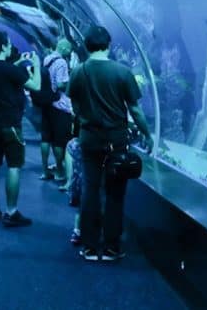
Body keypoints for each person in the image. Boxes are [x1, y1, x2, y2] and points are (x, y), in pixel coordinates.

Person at [68, 26, 151, 261]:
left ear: (86, 45)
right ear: (109, 44)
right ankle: (112, 247)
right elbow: (135, 109)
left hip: (89, 140)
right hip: (116, 142)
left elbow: (74, 104)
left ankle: (90, 247)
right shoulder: (122, 72)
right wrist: (147, 134)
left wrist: (85, 119)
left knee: (90, 191)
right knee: (115, 194)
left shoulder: (78, 72)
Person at [0, 31, 41, 227]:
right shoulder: (10, 70)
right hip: (11, 124)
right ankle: (11, 211)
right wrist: (36, 66)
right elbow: (36, 86)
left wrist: (15, 65)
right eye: (9, 44)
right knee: (13, 166)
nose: (10, 47)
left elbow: (2, 72)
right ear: (3, 46)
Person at [38, 39, 75, 185]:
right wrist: (71, 82)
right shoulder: (62, 63)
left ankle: (45, 170)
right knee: (60, 141)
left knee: (46, 138)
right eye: (70, 49)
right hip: (60, 106)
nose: (71, 52)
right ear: (64, 48)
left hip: (47, 103)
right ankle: (60, 171)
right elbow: (60, 84)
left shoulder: (47, 59)